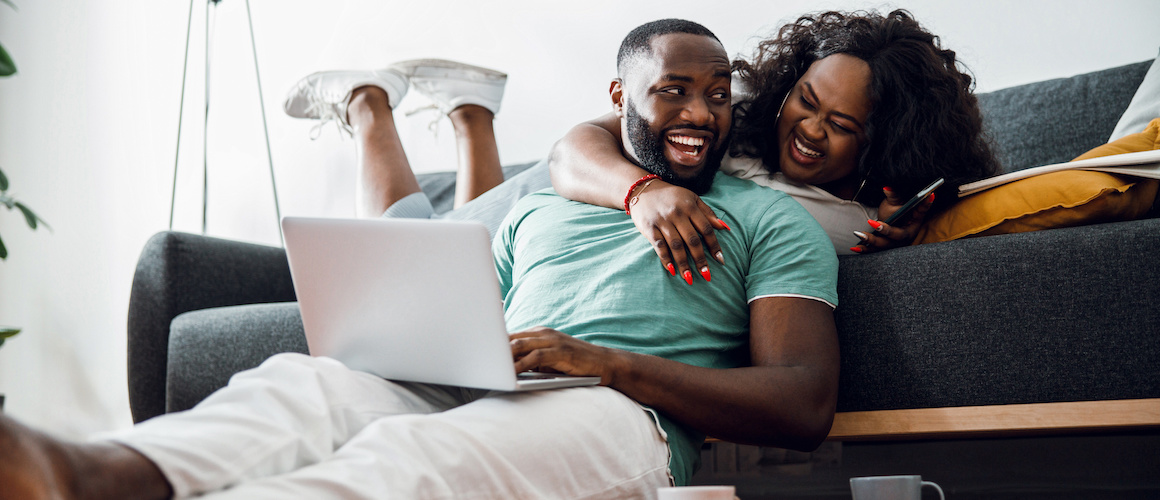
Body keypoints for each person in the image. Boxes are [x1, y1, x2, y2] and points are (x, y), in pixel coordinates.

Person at [0, 19, 840, 499]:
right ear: (620, 98)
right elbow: (471, 308)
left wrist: (605, 363)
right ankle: (93, 470)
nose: (701, 111)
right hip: (490, 380)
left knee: (417, 462)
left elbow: (801, 406)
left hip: (626, 417)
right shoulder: (547, 200)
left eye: (718, 94)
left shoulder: (771, 221)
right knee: (309, 387)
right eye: (673, 91)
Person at [549, 9, 1001, 284]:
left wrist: (896, 237)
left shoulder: (856, 224)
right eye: (806, 100)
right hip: (576, 189)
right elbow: (571, 149)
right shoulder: (730, 106)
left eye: (841, 124)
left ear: (884, 145)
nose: (810, 129)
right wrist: (643, 191)